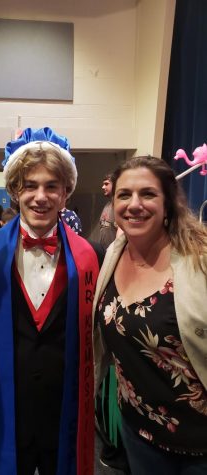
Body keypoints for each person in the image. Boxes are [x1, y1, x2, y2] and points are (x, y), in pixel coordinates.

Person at [0, 127, 103, 475]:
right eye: (30, 185)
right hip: (7, 406)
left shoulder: (92, 255)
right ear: (14, 191)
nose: (40, 197)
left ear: (65, 193)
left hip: (65, 408)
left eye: (51, 186)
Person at [93, 156, 207, 475]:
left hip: (198, 445)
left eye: (148, 194)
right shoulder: (113, 256)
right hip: (138, 432)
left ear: (168, 203)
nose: (135, 204)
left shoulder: (199, 261)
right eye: (124, 194)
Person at [99, 173, 117, 249]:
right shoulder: (107, 206)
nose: (103, 187)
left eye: (106, 184)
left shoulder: (119, 206)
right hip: (104, 251)